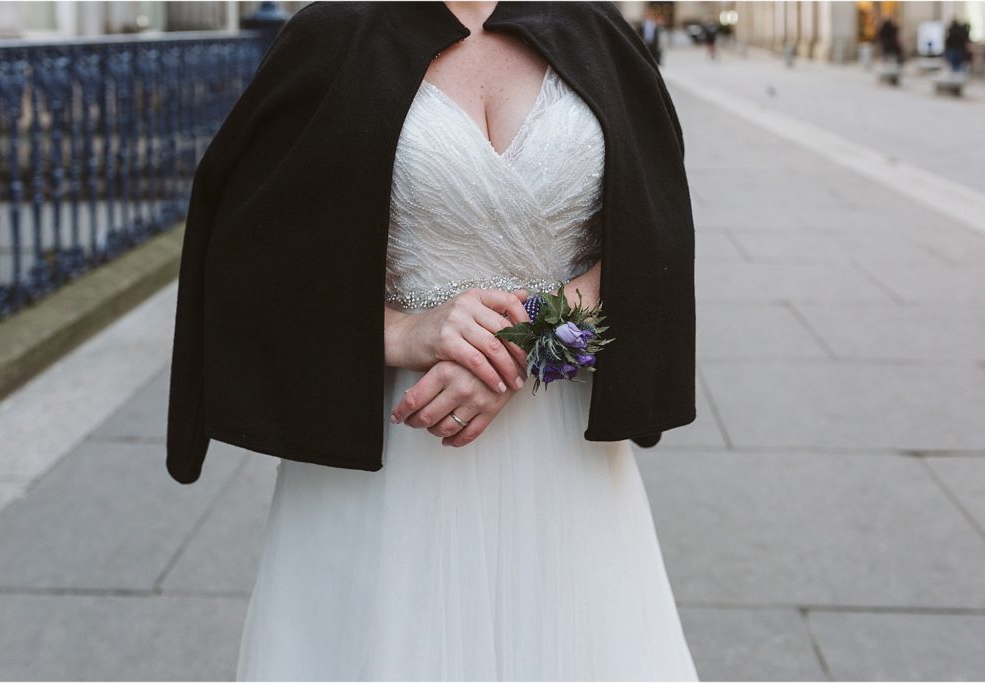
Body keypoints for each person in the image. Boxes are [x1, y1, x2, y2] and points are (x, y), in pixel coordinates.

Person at [231, 1, 700, 680]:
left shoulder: (594, 27)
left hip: (563, 453)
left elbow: (655, 225)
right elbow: (252, 251)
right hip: (389, 442)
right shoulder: (331, 32)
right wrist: (400, 329)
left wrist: (522, 339)